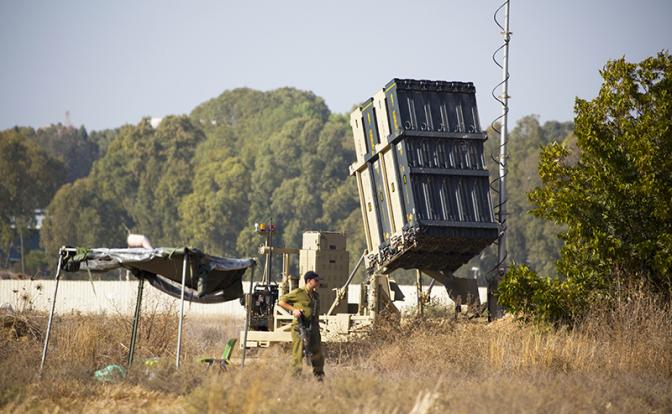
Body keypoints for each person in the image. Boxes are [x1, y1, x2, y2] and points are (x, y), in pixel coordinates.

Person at [277, 270, 324, 380]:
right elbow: (281, 301)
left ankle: (319, 377)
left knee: (317, 353)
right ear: (309, 281)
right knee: (298, 354)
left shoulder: (316, 296)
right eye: (316, 280)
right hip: (300, 328)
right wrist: (294, 310)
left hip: (313, 328)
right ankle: (294, 378)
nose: (318, 283)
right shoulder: (299, 292)